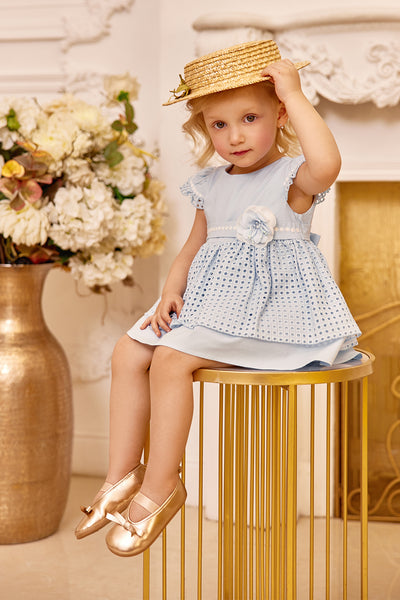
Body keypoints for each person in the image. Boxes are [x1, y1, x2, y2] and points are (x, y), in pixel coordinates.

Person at [74, 40, 361, 557]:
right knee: (128, 350)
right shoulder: (210, 183)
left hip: (273, 314)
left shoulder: (292, 177)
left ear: (279, 115)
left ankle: (161, 487)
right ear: (204, 128)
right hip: (215, 306)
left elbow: (329, 162)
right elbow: (194, 246)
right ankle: (121, 475)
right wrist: (171, 290)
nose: (235, 136)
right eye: (219, 125)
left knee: (170, 360)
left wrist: (295, 94)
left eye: (250, 118)